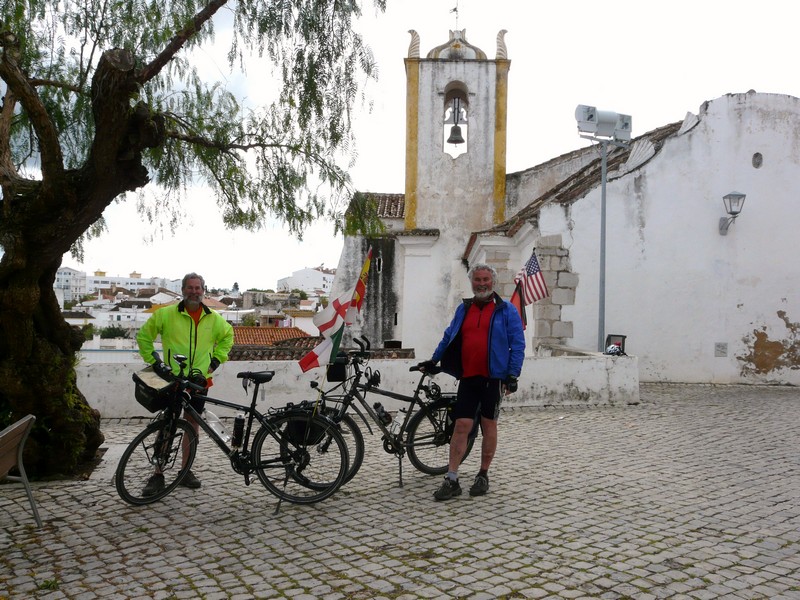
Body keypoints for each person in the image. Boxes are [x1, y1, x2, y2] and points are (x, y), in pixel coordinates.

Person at [418, 263, 525, 501]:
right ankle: (452, 478)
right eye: (477, 280)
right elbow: (449, 336)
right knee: (461, 426)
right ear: (472, 282)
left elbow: (517, 344)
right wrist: (434, 359)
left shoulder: (506, 310)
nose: (482, 283)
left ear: (493, 282)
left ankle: (483, 474)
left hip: (494, 378)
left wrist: (512, 374)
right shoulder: (464, 309)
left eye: (486, 279)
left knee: (488, 426)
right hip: (468, 377)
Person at [136, 272, 234, 495]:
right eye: (190, 288)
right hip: (172, 379)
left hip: (200, 381)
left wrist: (216, 361)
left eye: (198, 288)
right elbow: (144, 337)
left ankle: (186, 470)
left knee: (192, 426)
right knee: (167, 424)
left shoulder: (213, 318)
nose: (194, 291)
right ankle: (157, 474)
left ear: (204, 290)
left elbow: (228, 337)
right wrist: (155, 362)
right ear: (182, 290)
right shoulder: (166, 315)